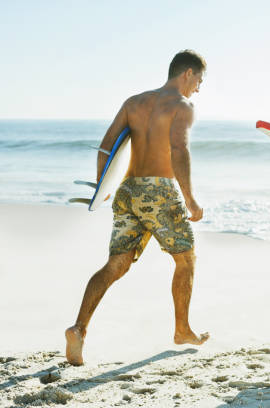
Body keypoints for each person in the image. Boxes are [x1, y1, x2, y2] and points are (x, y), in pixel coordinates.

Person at [65, 50, 209, 366]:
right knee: (186, 259)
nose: (198, 88)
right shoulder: (182, 106)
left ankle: (79, 328)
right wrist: (190, 198)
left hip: (127, 190)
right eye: (199, 80)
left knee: (115, 265)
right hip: (159, 191)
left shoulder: (134, 102)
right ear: (187, 73)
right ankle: (182, 330)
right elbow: (178, 149)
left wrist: (103, 188)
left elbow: (106, 146)